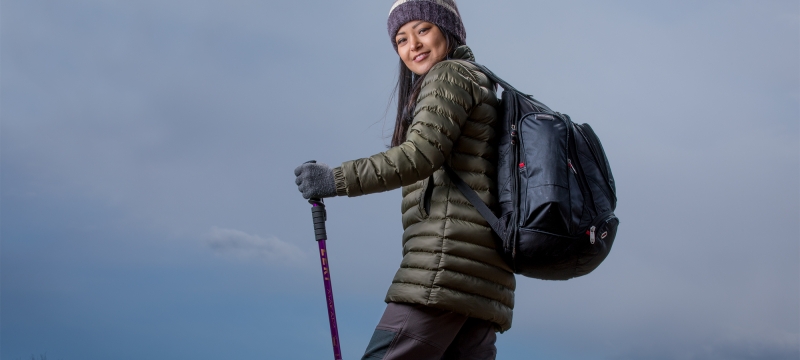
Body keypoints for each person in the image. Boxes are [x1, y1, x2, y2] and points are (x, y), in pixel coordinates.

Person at [294, 1, 514, 359]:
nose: (413, 45)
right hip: (482, 279)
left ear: (449, 29)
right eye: (401, 38)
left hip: (445, 265)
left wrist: (334, 179)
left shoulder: (450, 76)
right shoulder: (479, 80)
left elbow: (418, 156)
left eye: (423, 29)